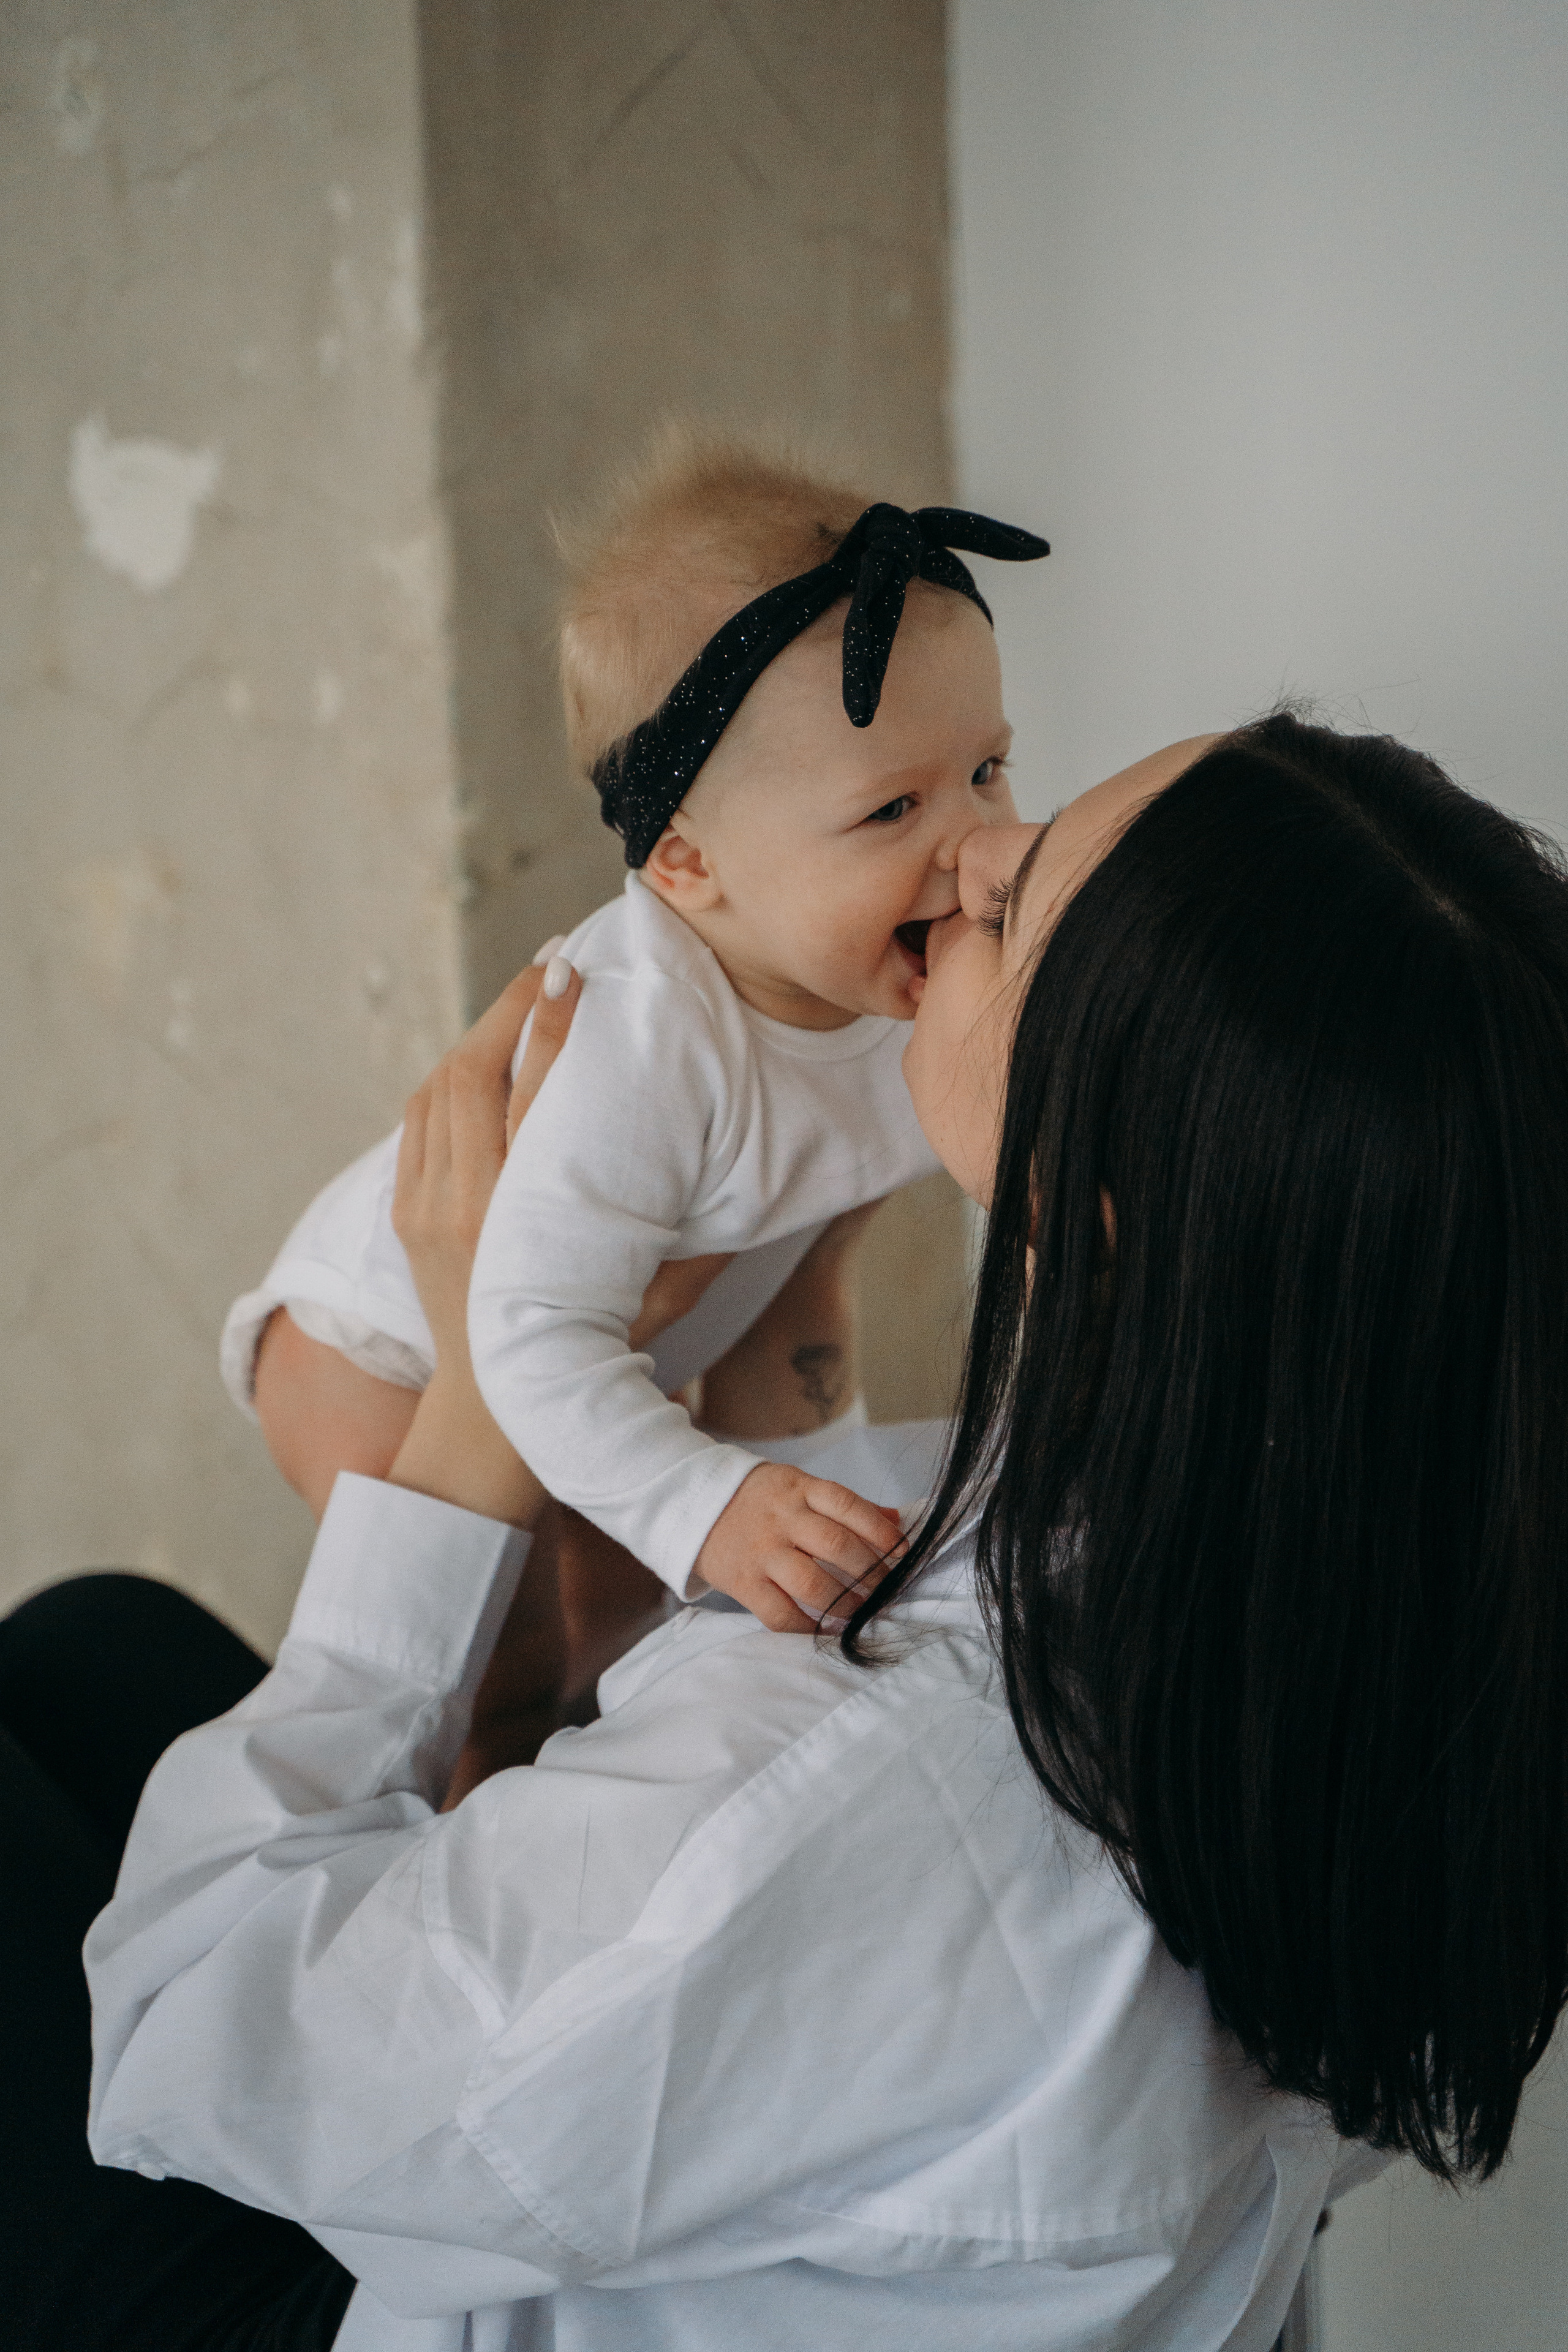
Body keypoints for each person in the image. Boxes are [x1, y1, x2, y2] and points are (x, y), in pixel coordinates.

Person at [9, 713, 1566, 2351]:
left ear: (1093, 1184)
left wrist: (482, 1379)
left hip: (380, 2284)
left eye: (1011, 901)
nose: (955, 856)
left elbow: (189, 2041)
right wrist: (782, 1343)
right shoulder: (1403, 1596)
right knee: (91, 1644)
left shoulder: (864, 1760)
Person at [220, 431, 1048, 1630]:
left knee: (624, 1650)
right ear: (686, 861)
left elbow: (799, 1292)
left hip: (616, 1349)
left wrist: (812, 1509)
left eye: (987, 768)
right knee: (497, 1673)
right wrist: (706, 1498)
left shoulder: (899, 978)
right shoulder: (644, 1038)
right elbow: (527, 1335)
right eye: (889, 807)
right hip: (389, 1354)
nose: (967, 835)